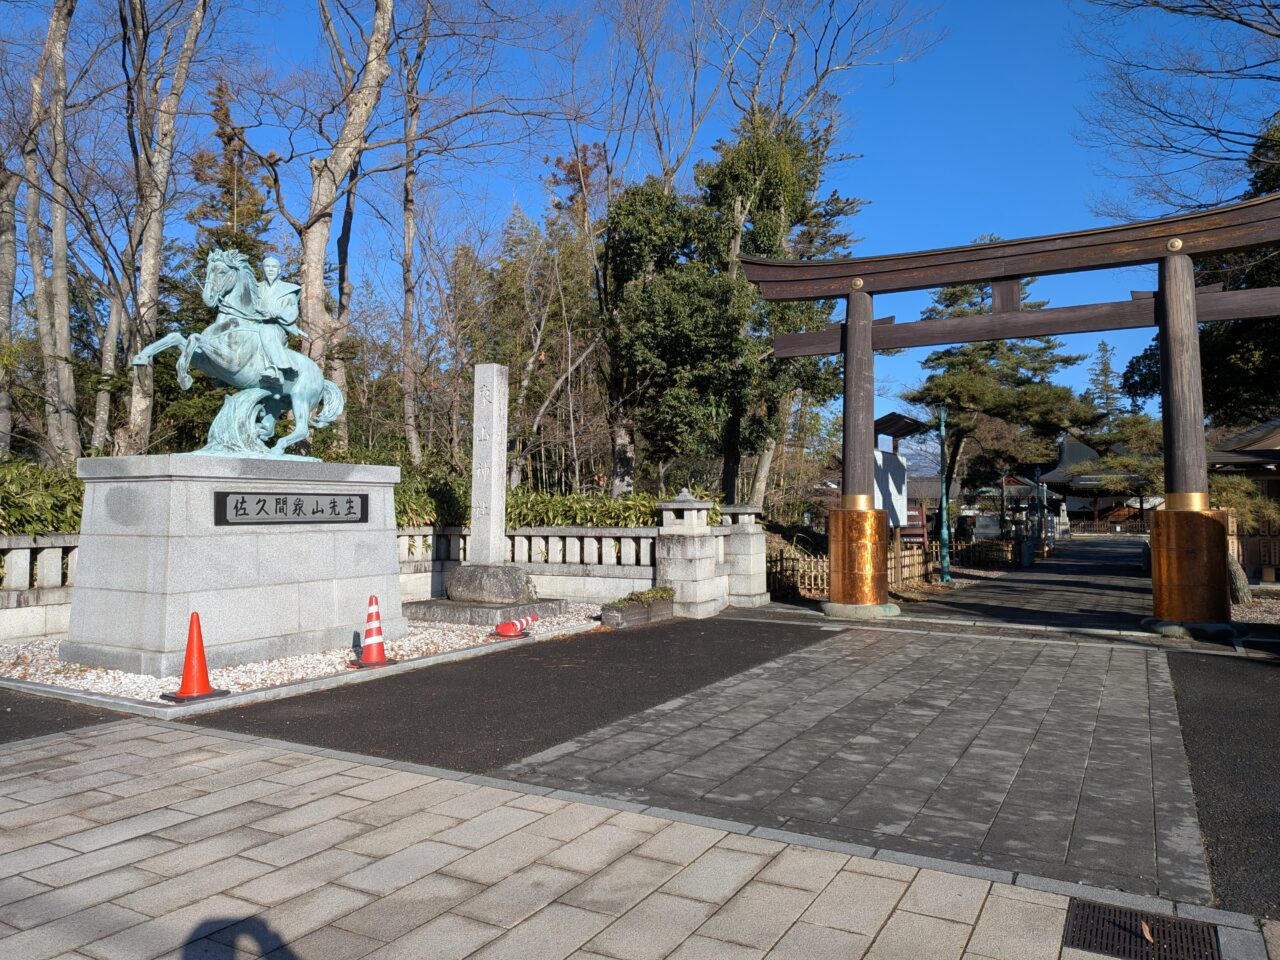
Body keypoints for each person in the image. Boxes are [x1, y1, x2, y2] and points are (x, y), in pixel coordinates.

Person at [257, 256, 301, 381]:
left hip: (277, 328)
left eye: (273, 267)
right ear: (263, 269)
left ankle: (275, 368)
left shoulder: (288, 290)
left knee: (268, 331)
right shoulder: (255, 288)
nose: (270, 270)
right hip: (256, 324)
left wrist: (275, 313)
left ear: (279, 270)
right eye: (267, 266)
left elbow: (292, 312)